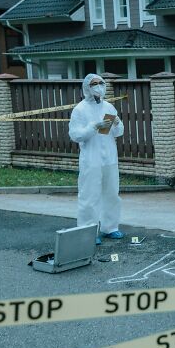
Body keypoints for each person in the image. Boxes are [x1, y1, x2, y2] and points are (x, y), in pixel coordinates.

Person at [69, 74, 125, 245]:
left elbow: (118, 132)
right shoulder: (80, 109)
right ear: (87, 87)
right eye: (95, 84)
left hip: (109, 158)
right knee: (89, 196)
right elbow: (75, 135)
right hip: (91, 160)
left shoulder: (108, 107)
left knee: (112, 195)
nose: (99, 86)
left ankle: (110, 227)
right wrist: (92, 127)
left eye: (101, 83)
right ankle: (88, 230)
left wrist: (116, 123)